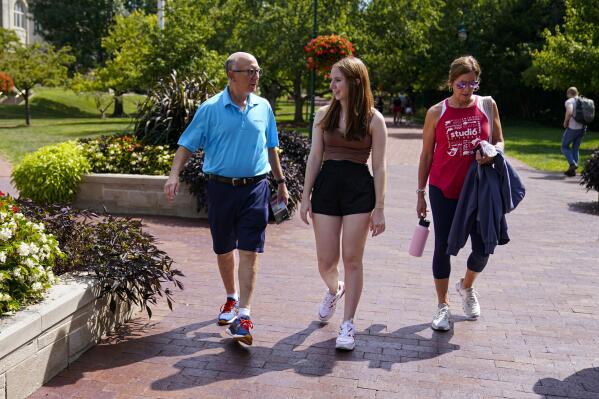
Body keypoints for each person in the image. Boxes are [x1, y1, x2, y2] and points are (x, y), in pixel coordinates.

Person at [164, 52, 289, 345]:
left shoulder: (264, 107)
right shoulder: (210, 109)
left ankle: (244, 315)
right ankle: (231, 298)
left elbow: (272, 147)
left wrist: (281, 182)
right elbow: (186, 145)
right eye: (250, 71)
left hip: (256, 188)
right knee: (223, 248)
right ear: (231, 75)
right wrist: (173, 174)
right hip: (220, 189)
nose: (256, 76)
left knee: (249, 250)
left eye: (258, 71)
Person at [300, 57, 387, 351]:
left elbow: (381, 166)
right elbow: (314, 157)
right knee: (326, 261)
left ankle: (348, 323)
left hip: (359, 192)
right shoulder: (323, 114)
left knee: (352, 259)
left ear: (355, 81)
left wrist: (380, 208)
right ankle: (333, 289)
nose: (332, 85)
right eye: (331, 80)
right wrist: (304, 196)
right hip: (327, 188)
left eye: (338, 80)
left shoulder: (374, 119)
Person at [416, 55, 505, 332]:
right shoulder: (436, 112)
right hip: (444, 188)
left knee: (482, 247)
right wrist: (420, 192)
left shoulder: (487, 105)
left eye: (472, 84)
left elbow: (500, 139)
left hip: (479, 191)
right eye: (462, 84)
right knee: (443, 247)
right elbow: (427, 154)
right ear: (451, 82)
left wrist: (493, 153)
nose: (467, 90)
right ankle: (442, 306)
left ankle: (466, 287)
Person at [561, 87, 585, 177]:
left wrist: (565, 121)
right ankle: (572, 171)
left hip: (573, 128)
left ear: (568, 93)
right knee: (575, 148)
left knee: (564, 147)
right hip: (582, 128)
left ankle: (572, 164)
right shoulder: (582, 100)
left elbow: (570, 111)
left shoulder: (569, 101)